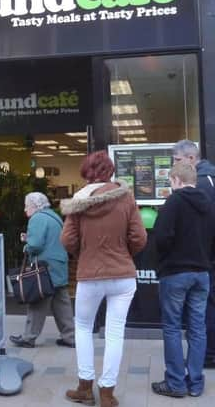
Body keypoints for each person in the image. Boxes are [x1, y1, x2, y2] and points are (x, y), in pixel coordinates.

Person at [60, 151, 147, 407]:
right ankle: (107, 393)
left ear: (86, 172)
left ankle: (85, 388)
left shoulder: (79, 201)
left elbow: (67, 240)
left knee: (84, 328)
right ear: (110, 171)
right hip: (123, 276)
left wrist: (83, 254)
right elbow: (140, 238)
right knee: (115, 333)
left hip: (90, 275)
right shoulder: (126, 198)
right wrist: (123, 254)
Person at [150, 163, 215, 398]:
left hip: (175, 273)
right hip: (202, 274)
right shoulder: (209, 204)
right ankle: (195, 383)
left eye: (170, 181)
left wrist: (165, 261)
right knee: (198, 328)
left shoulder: (173, 202)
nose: (170, 185)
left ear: (177, 179)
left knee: (173, 328)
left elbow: (161, 238)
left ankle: (176, 383)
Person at [9, 192, 75, 349]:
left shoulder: (37, 218)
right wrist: (29, 238)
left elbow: (36, 245)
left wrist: (26, 245)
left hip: (45, 267)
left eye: (26, 206)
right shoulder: (53, 216)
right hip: (59, 263)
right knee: (61, 302)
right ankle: (70, 337)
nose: (25, 210)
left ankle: (28, 337)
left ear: (34, 206)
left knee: (38, 300)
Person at [172, 140, 215, 368]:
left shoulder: (202, 183)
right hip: (205, 257)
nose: (174, 165)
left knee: (203, 308)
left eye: (177, 160)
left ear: (191, 158)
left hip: (204, 259)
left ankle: (207, 355)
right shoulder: (207, 178)